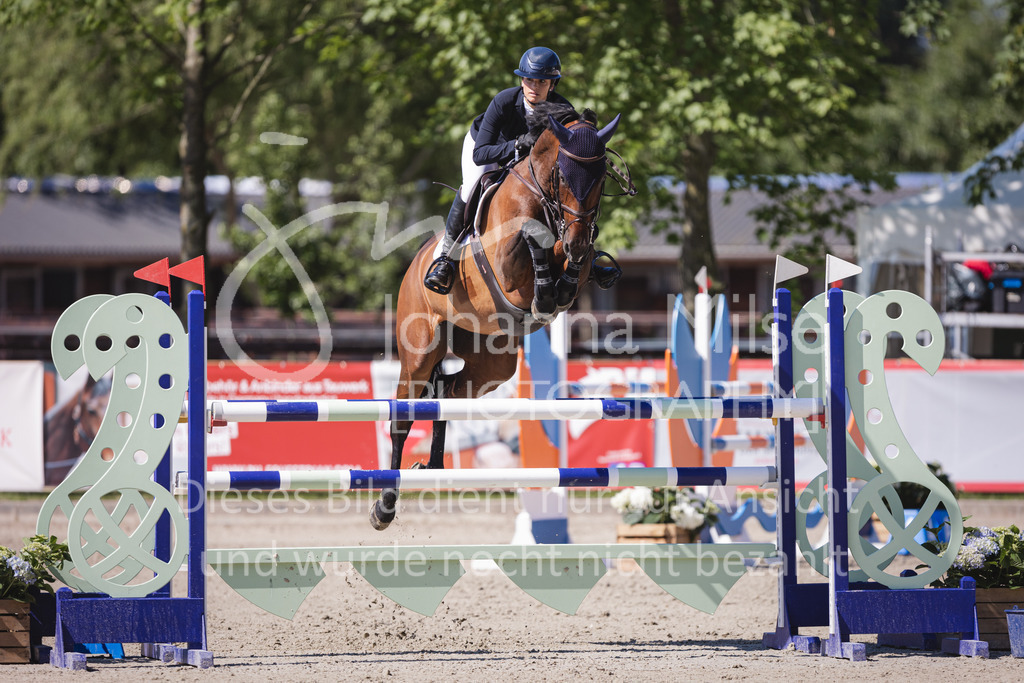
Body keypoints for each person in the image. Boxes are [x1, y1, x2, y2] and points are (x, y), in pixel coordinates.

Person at [423, 46, 572, 295]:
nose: (534, 87)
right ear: (521, 80)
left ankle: (584, 256)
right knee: (472, 186)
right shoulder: (504, 101)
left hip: (528, 164)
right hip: (487, 148)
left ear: (552, 85)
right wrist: (516, 144)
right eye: (529, 80)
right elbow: (480, 153)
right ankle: (446, 258)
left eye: (542, 82)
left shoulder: (563, 110)